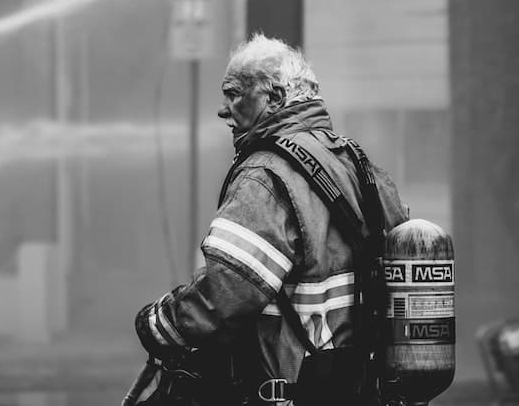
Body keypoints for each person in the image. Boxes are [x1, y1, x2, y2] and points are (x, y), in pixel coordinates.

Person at [134, 34, 409, 405]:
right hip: (364, 393)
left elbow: (226, 296)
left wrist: (159, 324)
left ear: (275, 98)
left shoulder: (264, 177)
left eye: (234, 94)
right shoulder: (358, 166)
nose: (223, 110)